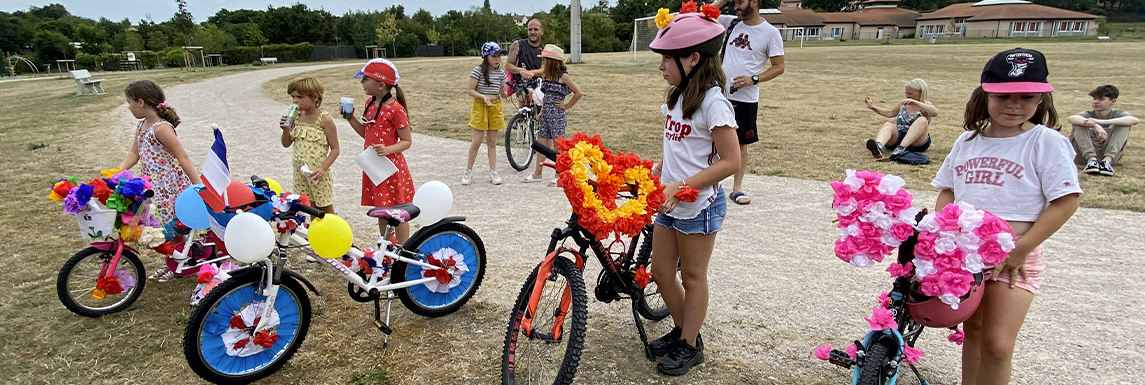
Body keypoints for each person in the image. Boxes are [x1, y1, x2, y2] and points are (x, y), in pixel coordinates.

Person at [931, 48, 1080, 385]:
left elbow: (1065, 202)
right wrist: (942, 234)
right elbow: (948, 191)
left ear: (1041, 99)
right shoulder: (968, 141)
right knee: (974, 331)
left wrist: (1023, 247)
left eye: (1026, 97)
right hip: (966, 254)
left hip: (1016, 256)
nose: (1014, 104)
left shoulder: (1046, 142)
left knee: (998, 344)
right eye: (1003, 96)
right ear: (985, 94)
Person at [647, 11, 741, 376]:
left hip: (698, 204)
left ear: (693, 58)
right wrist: (661, 167)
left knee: (693, 277)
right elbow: (680, 144)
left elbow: (731, 161)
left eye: (667, 59)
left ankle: (689, 344)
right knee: (660, 273)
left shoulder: (714, 103)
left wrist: (684, 185)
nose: (662, 67)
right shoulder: (679, 95)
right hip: (671, 201)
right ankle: (686, 331)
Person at [117, 80, 203, 282]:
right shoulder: (141, 125)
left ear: (140, 102)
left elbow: (182, 157)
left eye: (129, 102)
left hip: (169, 186)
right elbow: (134, 152)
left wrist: (198, 185)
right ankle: (175, 261)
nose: (128, 107)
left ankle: (180, 264)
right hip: (152, 186)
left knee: (174, 227)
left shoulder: (162, 128)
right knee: (163, 227)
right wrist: (116, 172)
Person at [713, 0, 785, 205]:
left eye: (739, 2)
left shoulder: (770, 33)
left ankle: (737, 188)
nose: (736, 7)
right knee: (712, 140)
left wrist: (753, 79)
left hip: (745, 99)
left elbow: (779, 67)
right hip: (719, 95)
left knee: (741, 144)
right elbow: (704, 14)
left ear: (754, 1)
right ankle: (711, 185)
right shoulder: (731, 23)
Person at [343, 59, 416, 243]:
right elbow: (366, 134)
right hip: (374, 167)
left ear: (381, 84)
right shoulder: (370, 103)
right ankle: (386, 248)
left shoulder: (396, 110)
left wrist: (388, 149)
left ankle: (402, 247)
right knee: (381, 210)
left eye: (365, 79)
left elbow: (407, 141)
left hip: (390, 168)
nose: (362, 83)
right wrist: (351, 119)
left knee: (399, 210)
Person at [522, 45, 582, 186]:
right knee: (541, 142)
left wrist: (566, 106)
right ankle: (538, 173)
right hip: (547, 113)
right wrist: (542, 111)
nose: (542, 63)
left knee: (558, 145)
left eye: (544, 60)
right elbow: (546, 95)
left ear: (551, 61)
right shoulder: (547, 76)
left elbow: (578, 92)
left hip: (557, 115)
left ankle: (558, 173)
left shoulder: (563, 76)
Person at [279, 76, 340, 214]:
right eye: (293, 97)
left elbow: (335, 149)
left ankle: (333, 233)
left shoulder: (324, 120)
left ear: (315, 98)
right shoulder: (296, 117)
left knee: (325, 207)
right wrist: (286, 130)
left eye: (300, 97)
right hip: (300, 172)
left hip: (318, 173)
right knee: (309, 207)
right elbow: (286, 144)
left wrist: (323, 168)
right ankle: (315, 234)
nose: (295, 101)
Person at [463, 42, 510, 186]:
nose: (497, 59)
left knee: (492, 142)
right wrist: (483, 97)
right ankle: (468, 171)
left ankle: (493, 171)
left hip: (495, 106)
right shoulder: (478, 71)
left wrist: (503, 90)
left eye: (499, 56)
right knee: (476, 142)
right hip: (480, 106)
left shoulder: (501, 73)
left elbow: (504, 95)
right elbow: (471, 90)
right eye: (494, 56)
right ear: (486, 57)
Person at [1067, 85, 1139, 176]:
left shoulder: (1118, 114)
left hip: (1107, 153)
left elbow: (1134, 120)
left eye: (1100, 99)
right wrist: (1095, 125)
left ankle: (1106, 162)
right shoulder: (1087, 114)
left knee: (1124, 125)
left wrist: (1101, 122)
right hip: (1083, 154)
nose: (1095, 102)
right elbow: (1072, 118)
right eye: (1094, 99)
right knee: (1080, 124)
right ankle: (1091, 161)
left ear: (1113, 101)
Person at [864, 78, 939, 159]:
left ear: (920, 93)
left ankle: (901, 148)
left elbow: (935, 112)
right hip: (899, 136)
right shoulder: (903, 104)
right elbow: (890, 113)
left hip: (917, 141)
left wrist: (917, 102)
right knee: (888, 125)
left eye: (910, 93)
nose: (907, 96)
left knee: (922, 120)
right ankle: (878, 146)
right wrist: (872, 107)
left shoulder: (925, 106)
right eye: (906, 93)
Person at [505, 17, 545, 104]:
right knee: (527, 94)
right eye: (530, 29)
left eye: (535, 29)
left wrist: (532, 73)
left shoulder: (544, 50)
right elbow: (509, 65)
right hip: (522, 83)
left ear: (542, 31)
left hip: (539, 84)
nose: (532, 32)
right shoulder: (518, 45)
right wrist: (522, 71)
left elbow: (544, 69)